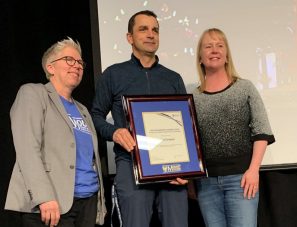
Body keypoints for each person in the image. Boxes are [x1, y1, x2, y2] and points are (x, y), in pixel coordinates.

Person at [91, 10, 188, 227]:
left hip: (170, 166)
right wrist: (114, 132)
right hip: (130, 164)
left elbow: (185, 127)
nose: (151, 34)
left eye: (155, 30)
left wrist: (185, 167)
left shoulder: (173, 79)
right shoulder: (113, 75)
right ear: (130, 38)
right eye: (143, 29)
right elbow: (95, 116)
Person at [5, 37, 106, 227]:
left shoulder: (83, 110)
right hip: (53, 205)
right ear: (50, 67)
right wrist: (44, 197)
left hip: (88, 203)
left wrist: (100, 204)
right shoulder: (33, 93)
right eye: (69, 60)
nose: (76, 65)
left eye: (79, 62)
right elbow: (27, 150)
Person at [192, 28, 275, 227]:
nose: (214, 50)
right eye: (208, 46)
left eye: (220, 45)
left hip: (242, 180)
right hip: (206, 184)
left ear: (227, 56)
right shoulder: (193, 98)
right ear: (200, 58)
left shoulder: (245, 88)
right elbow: (188, 142)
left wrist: (253, 170)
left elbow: (261, 131)